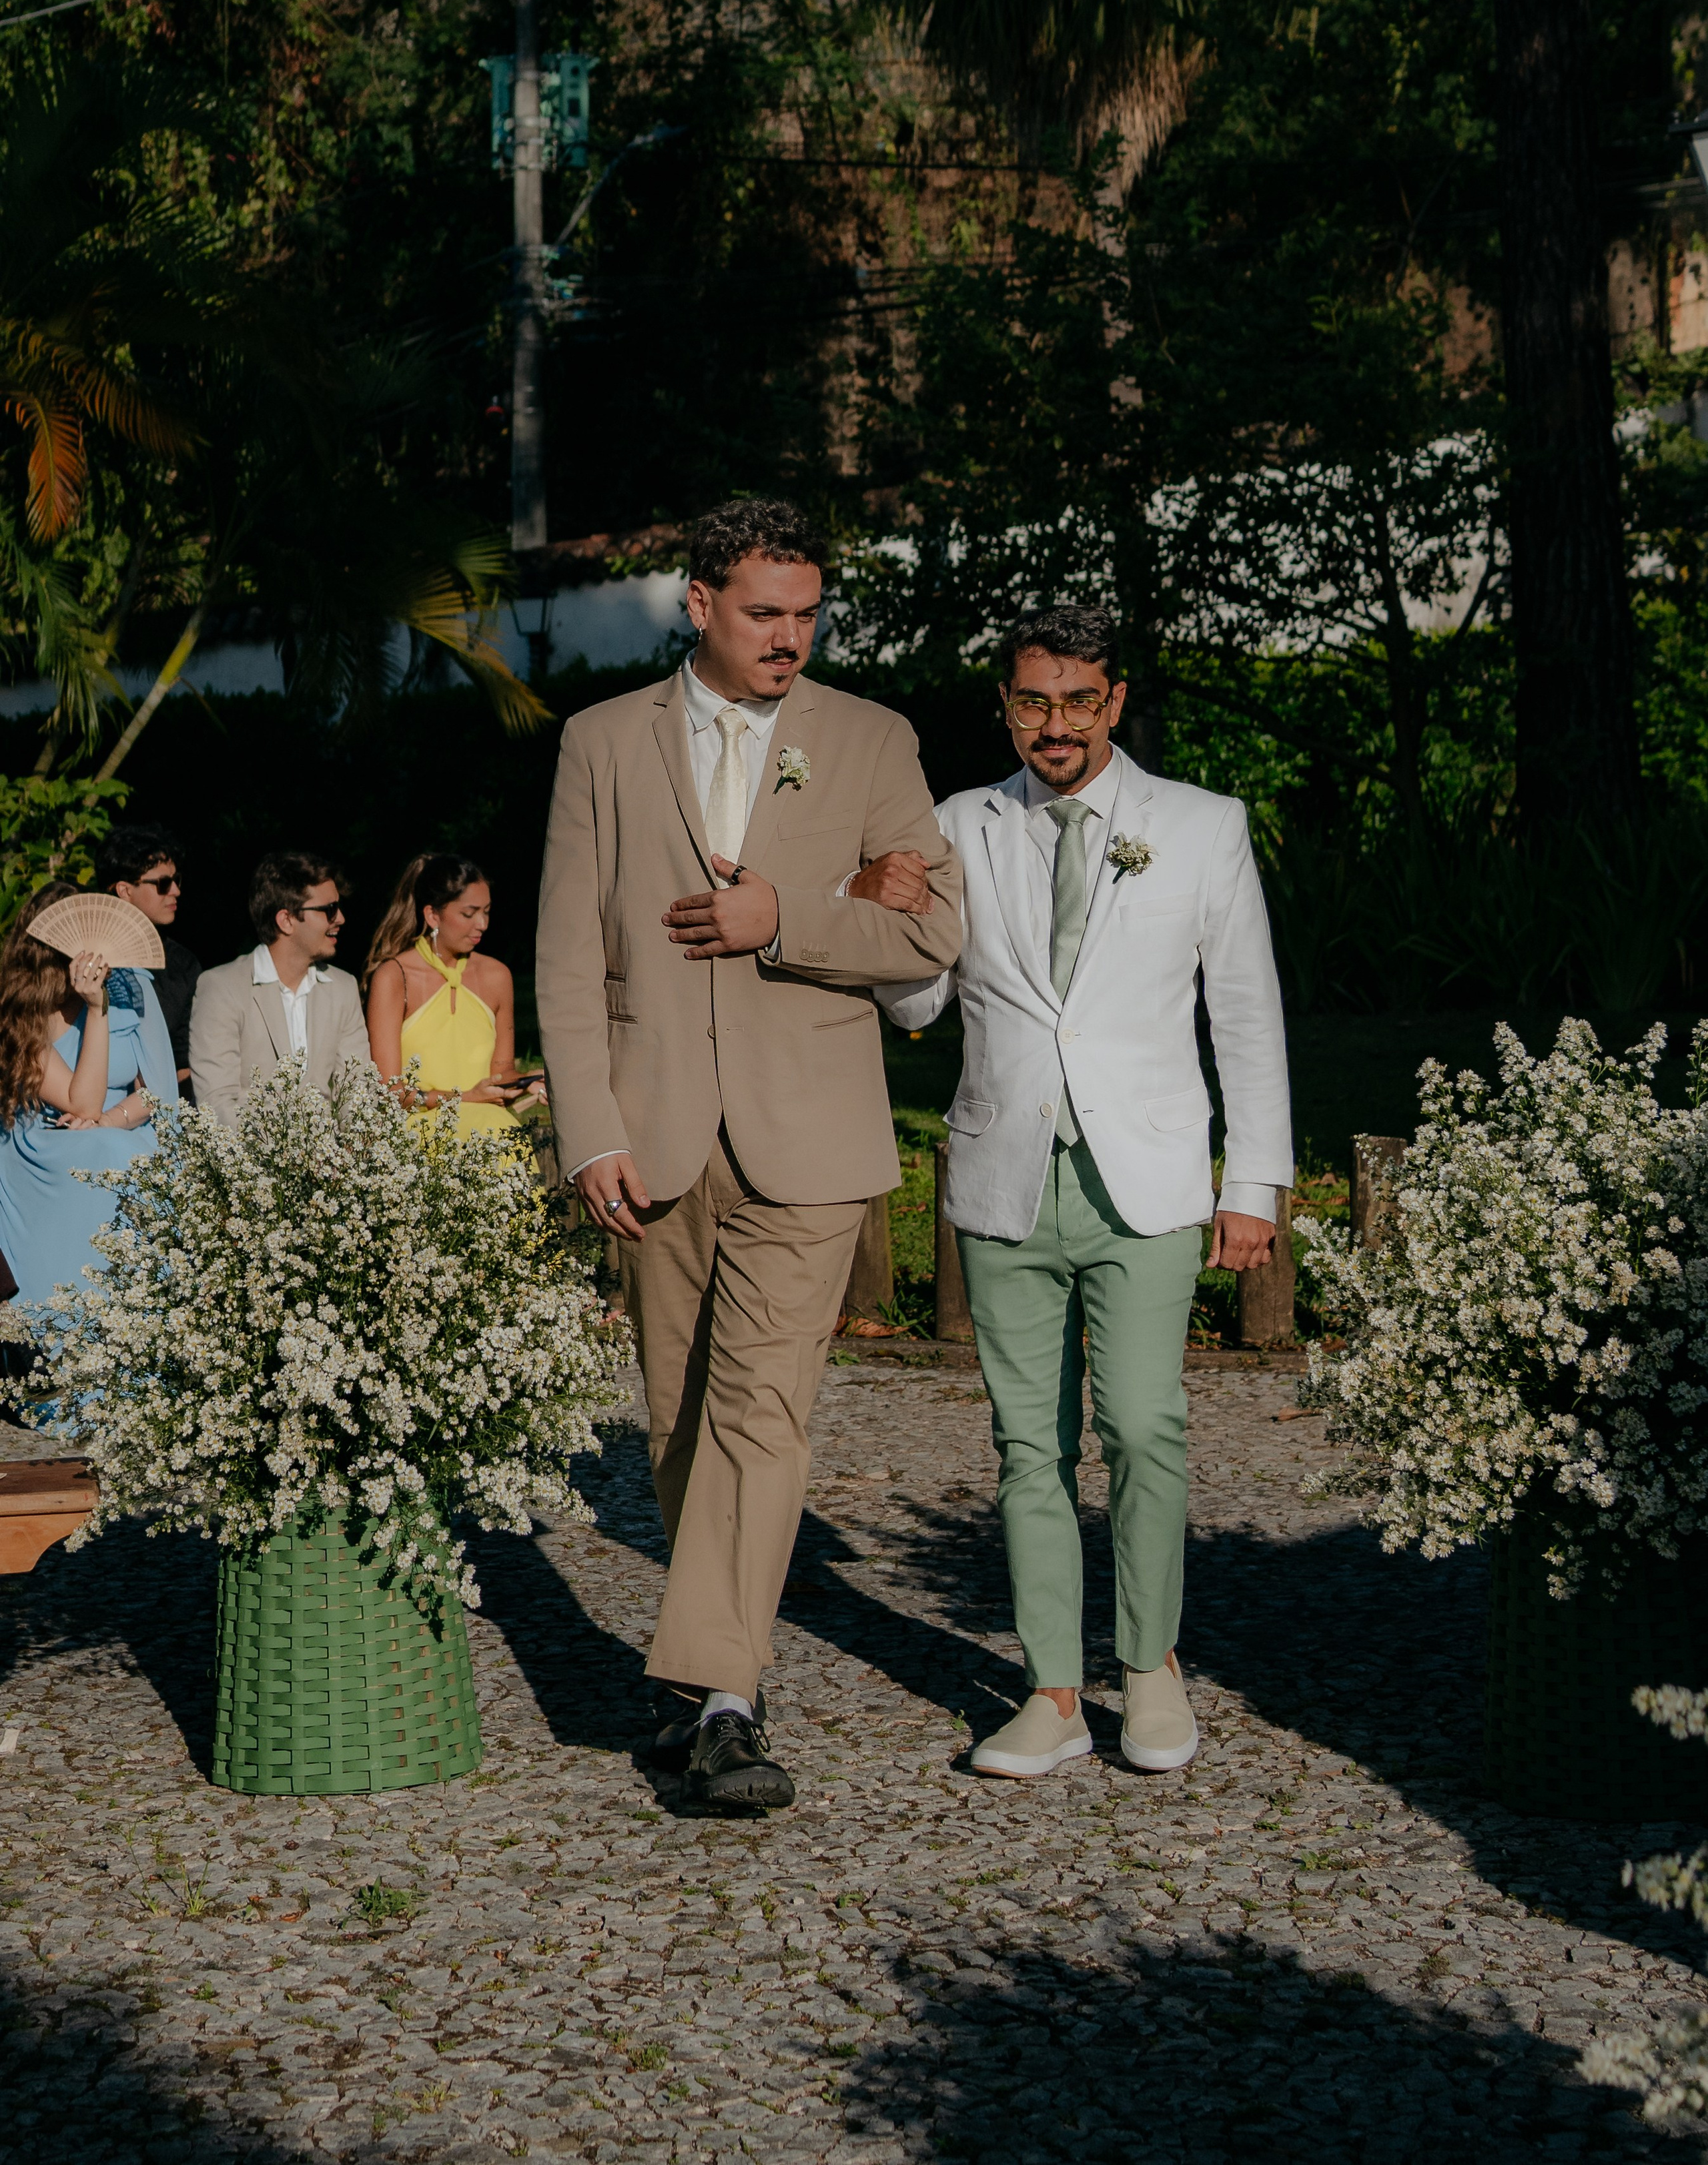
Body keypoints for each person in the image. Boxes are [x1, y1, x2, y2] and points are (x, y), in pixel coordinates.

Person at [535, 496, 962, 1812]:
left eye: (806, 613)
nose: (790, 637)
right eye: (764, 612)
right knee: (678, 1416)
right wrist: (588, 1127)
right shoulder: (600, 743)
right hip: (652, 1131)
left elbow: (931, 935)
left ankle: (723, 1698)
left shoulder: (873, 741)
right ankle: (702, 1682)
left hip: (812, 1131)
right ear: (699, 605)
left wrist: (790, 919)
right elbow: (565, 949)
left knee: (759, 1411)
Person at [876, 604, 1292, 1780]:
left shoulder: (1203, 827)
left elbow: (1247, 1013)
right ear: (1003, 706)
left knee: (1147, 1425)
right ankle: (1053, 1694)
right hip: (1007, 1171)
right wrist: (893, 908)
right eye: (1029, 702)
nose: (1052, 725)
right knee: (1027, 1445)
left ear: (1114, 702)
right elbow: (917, 1008)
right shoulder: (960, 825)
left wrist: (1252, 1182)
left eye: (1077, 701)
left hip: (1148, 1176)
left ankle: (1151, 1670)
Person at [0, 880, 177, 1306]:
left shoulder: (132, 985)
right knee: (112, 1153)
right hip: (46, 1138)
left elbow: (159, 1094)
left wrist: (109, 1121)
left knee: (138, 1155)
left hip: (122, 1125)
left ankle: (150, 1319)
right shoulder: (24, 1008)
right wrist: (96, 1009)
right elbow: (80, 1103)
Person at [363, 853, 541, 1138]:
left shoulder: (497, 976)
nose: (482, 924)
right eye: (468, 914)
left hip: (489, 1130)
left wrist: (530, 1082)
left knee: (498, 1129)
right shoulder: (394, 977)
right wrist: (464, 1098)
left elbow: (503, 1072)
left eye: (487, 911)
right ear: (433, 915)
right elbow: (389, 1093)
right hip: (417, 1133)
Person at [189, 851, 371, 1127]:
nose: (341, 918)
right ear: (286, 920)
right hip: (252, 1161)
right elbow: (217, 1104)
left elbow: (357, 1094)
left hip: (331, 1163)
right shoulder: (222, 988)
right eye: (329, 909)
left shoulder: (343, 989)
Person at [97, 823, 201, 1099]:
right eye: (163, 884)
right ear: (124, 890)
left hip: (159, 1105)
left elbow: (184, 1061)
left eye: (177, 879)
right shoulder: (88, 954)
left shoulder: (182, 964)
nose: (176, 891)